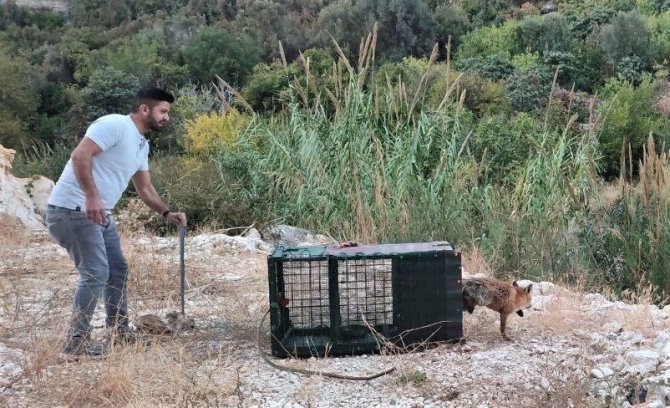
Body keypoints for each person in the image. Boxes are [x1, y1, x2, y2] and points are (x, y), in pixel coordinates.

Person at [46, 88, 187, 356]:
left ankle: (119, 333)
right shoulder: (115, 125)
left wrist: (167, 213)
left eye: (168, 112)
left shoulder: (141, 144)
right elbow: (80, 155)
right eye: (163, 111)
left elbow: (145, 188)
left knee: (117, 269)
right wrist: (91, 195)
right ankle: (75, 343)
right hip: (71, 210)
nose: (167, 117)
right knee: (96, 272)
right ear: (144, 109)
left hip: (100, 215)